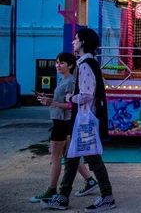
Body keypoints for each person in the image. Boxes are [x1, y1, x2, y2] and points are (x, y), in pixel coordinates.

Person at [42, 28, 116, 212]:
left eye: (75, 39)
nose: (73, 42)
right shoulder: (88, 63)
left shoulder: (85, 65)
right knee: (72, 157)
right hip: (83, 119)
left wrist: (70, 98)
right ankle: (63, 196)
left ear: (83, 42)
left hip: (85, 120)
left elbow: (86, 95)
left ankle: (107, 196)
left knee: (92, 159)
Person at [30, 53, 98, 203]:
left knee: (55, 157)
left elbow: (69, 106)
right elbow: (62, 100)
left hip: (62, 122)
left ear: (71, 65)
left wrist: (51, 103)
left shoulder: (70, 82)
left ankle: (51, 190)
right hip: (61, 121)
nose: (57, 65)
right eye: (56, 63)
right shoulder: (64, 80)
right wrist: (48, 97)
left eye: (61, 63)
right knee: (69, 156)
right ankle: (90, 181)